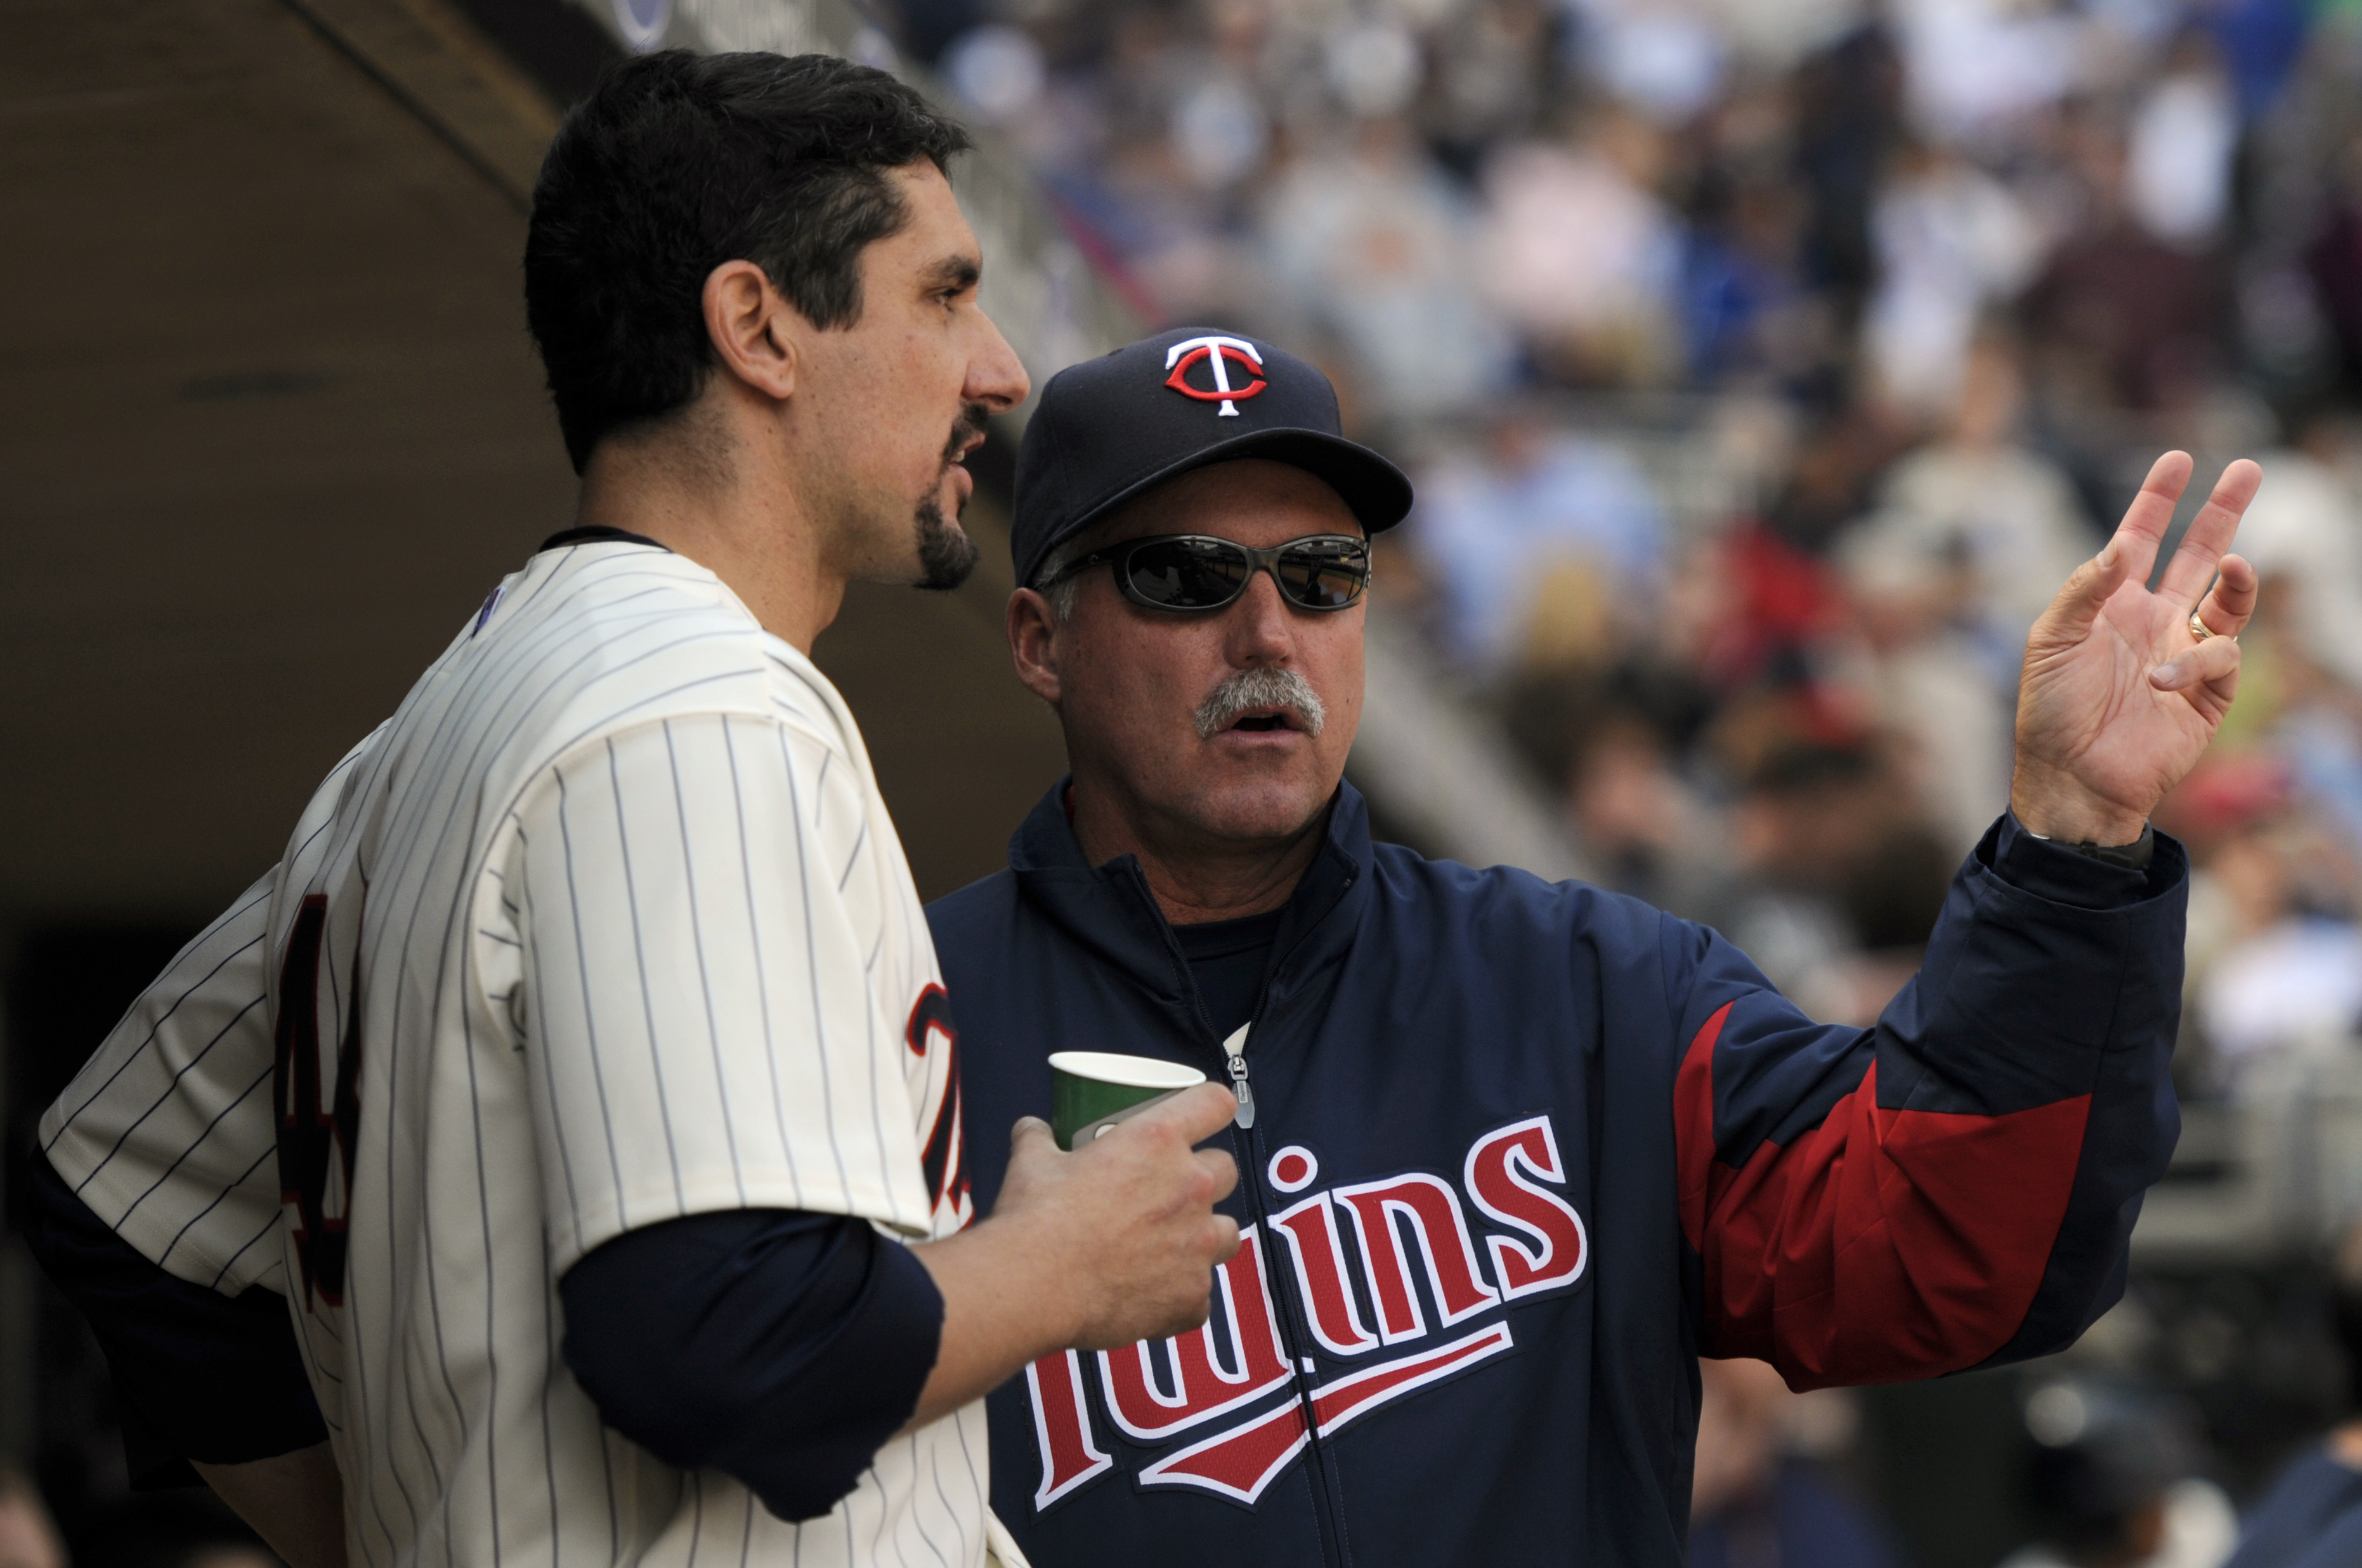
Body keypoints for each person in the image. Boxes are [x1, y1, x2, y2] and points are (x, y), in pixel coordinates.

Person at [18, 53, 1243, 1568]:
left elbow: (118, 1204)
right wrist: (1062, 1267)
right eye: (941, 294)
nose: (996, 367)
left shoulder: (421, 742)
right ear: (757, 328)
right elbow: (731, 1341)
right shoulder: (691, 705)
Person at [927, 325, 2262, 1565]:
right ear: (1041, 640)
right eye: (1184, 575)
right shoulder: (900, 1017)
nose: (1267, 632)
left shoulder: (1586, 988)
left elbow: (1944, 1245)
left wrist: (2071, 842)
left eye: (1321, 575)